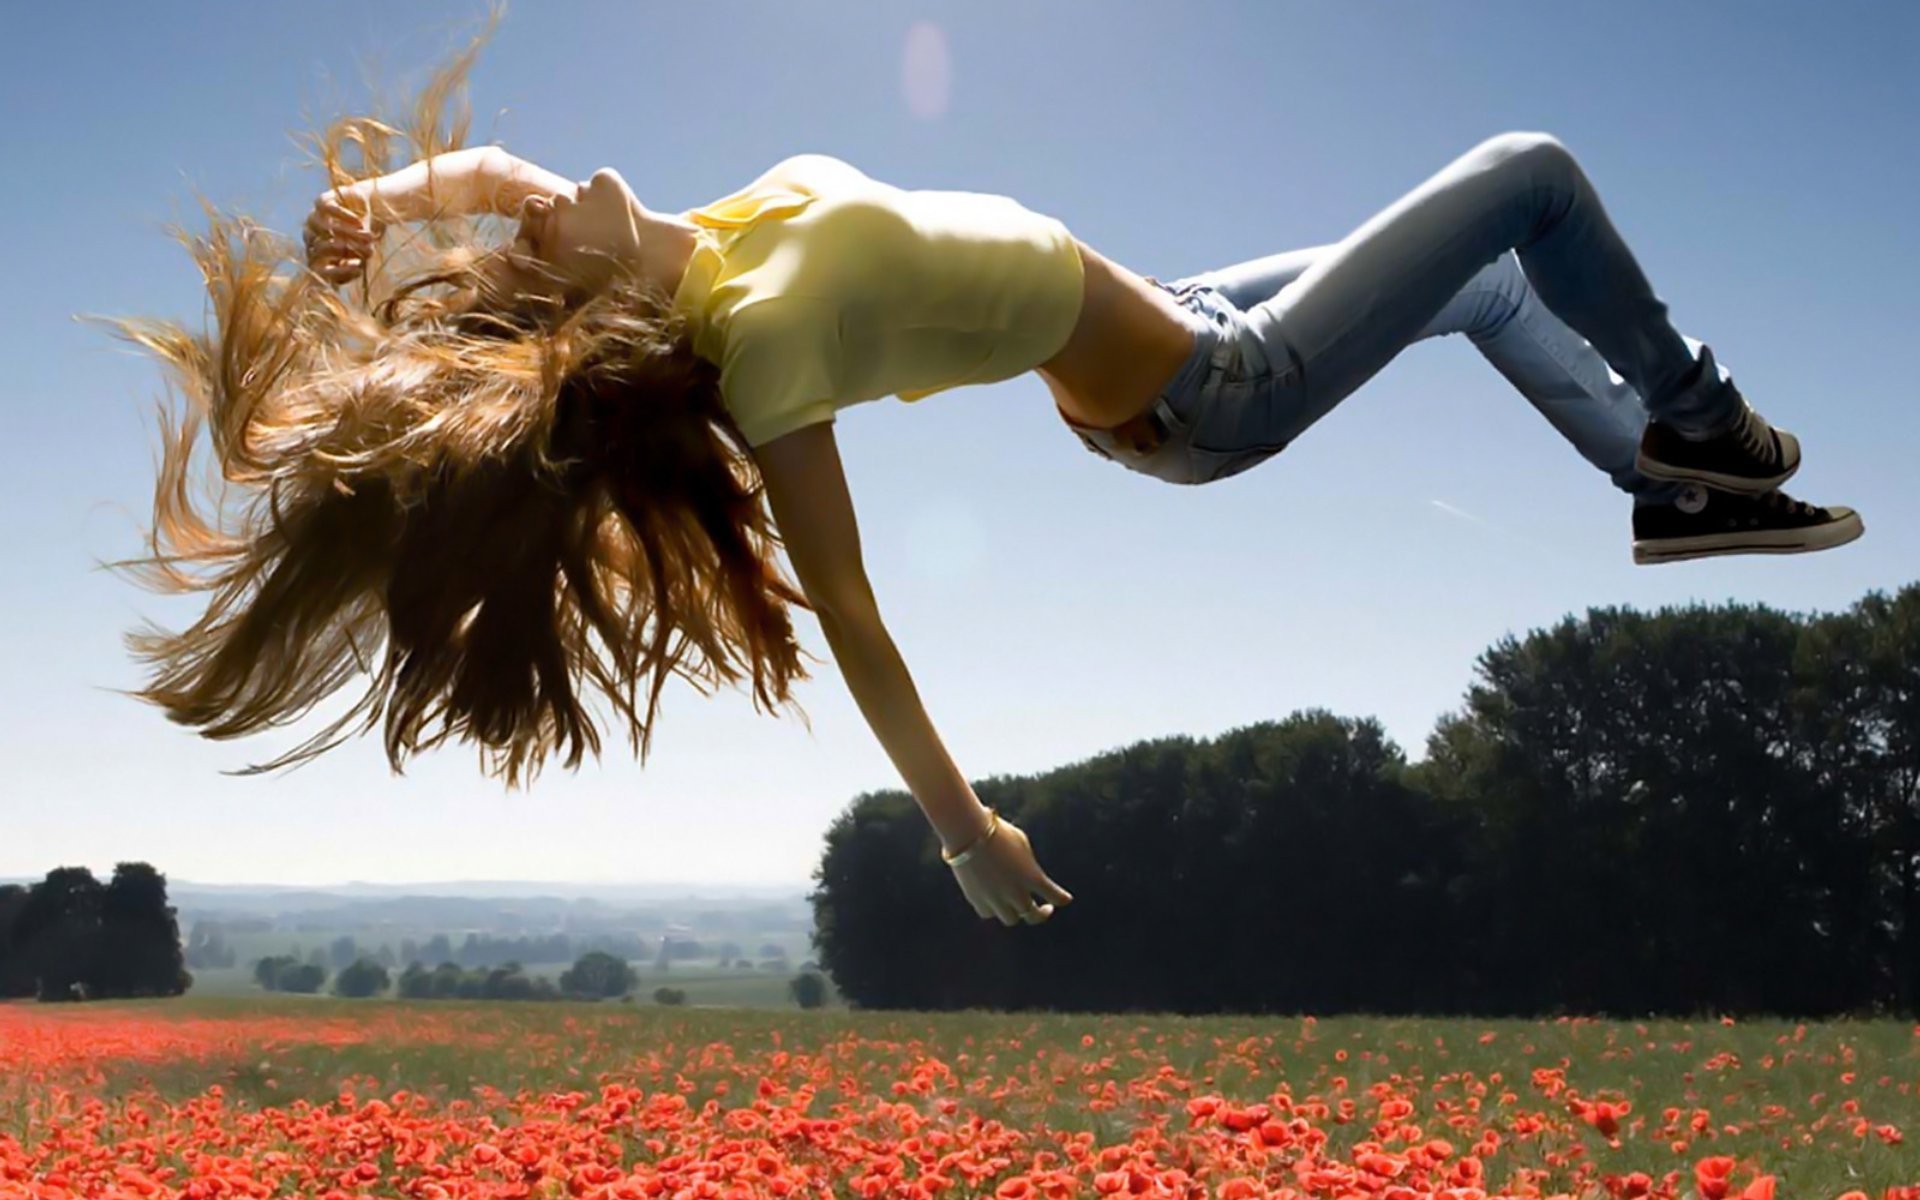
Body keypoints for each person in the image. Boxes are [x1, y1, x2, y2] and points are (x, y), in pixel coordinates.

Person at [111, 43, 1858, 933]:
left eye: (537, 228)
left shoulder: (697, 235)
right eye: (547, 254)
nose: (534, 215)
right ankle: (1702, 428)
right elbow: (852, 613)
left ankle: (1664, 484)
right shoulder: (758, 331)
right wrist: (963, 829)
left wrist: (399, 208)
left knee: (1485, 283)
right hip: (1203, 391)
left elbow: (498, 171)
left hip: (1182, 296)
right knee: (1526, 177)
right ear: (619, 323)